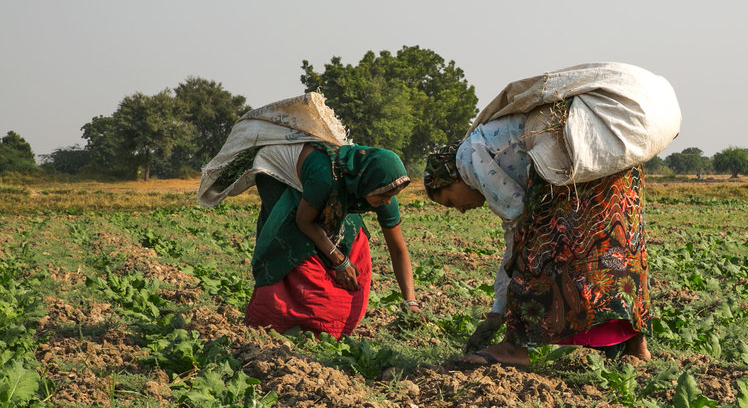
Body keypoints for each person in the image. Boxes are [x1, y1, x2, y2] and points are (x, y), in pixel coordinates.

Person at [424, 110, 652, 369]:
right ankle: (636, 345)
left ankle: (514, 347)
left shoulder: (467, 159)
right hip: (606, 157)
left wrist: (499, 311)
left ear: (451, 177)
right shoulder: (486, 142)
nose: (461, 210)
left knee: (536, 246)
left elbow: (517, 225)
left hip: (572, 163)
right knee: (618, 249)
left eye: (452, 202)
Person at [244, 141, 421, 338]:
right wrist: (340, 261)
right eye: (385, 195)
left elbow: (398, 249)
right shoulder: (326, 180)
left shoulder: (383, 189)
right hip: (278, 172)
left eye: (392, 196)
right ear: (367, 182)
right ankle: (279, 322)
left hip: (328, 186)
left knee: (349, 233)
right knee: (290, 239)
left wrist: (410, 301)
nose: (388, 201)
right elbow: (304, 222)